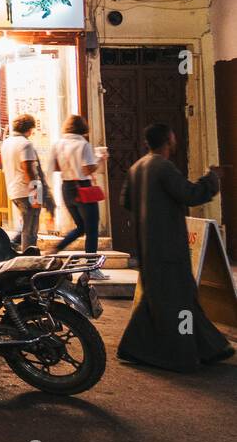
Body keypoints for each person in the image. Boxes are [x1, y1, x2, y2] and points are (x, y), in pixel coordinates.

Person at [118, 123, 232, 371]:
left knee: (160, 300)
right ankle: (183, 353)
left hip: (149, 247)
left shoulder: (137, 167)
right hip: (169, 247)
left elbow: (126, 200)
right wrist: (212, 178)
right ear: (168, 140)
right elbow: (190, 195)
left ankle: (206, 347)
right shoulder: (163, 166)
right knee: (181, 303)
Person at [51, 115, 106, 268]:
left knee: (81, 226)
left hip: (66, 187)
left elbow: (56, 167)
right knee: (92, 229)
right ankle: (91, 267)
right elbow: (88, 168)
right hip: (82, 187)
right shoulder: (83, 144)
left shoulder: (59, 144)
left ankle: (58, 247)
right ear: (83, 128)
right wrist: (100, 159)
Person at [1, 114, 43, 251]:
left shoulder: (7, 143)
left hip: (14, 189)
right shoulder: (25, 144)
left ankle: (15, 246)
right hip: (26, 190)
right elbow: (28, 169)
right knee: (30, 230)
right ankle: (28, 259)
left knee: (26, 224)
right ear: (30, 129)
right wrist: (36, 192)